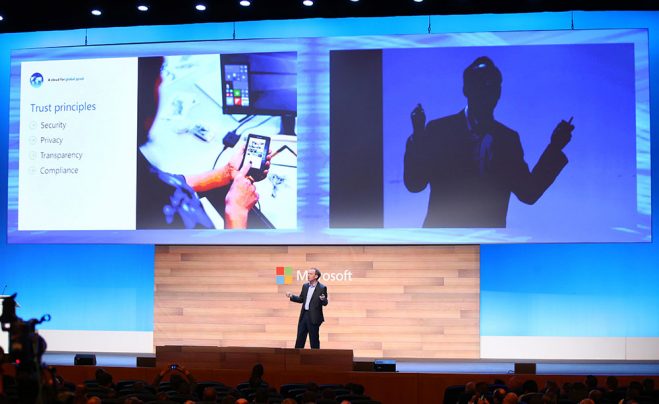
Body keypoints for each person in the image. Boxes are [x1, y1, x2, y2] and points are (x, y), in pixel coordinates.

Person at [404, 56, 574, 228]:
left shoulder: (508, 140)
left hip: (488, 243)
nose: (487, 92)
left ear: (498, 93)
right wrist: (418, 136)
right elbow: (415, 184)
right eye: (481, 84)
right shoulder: (439, 130)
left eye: (493, 86)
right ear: (466, 89)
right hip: (443, 243)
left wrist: (555, 147)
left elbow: (528, 193)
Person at [136, 56, 269, 229]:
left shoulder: (131, 161)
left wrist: (225, 173)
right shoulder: (165, 220)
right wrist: (236, 212)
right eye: (157, 74)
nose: (161, 79)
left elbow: (165, 182)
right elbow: (218, 257)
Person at [286, 268, 328, 349]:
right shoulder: (305, 286)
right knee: (300, 339)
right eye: (308, 273)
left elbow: (325, 303)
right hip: (304, 315)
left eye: (310, 274)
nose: (308, 275)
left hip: (314, 317)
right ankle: (296, 358)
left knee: (314, 341)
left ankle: (315, 360)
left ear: (316, 276)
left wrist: (323, 299)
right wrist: (292, 296)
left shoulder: (322, 288)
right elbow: (301, 299)